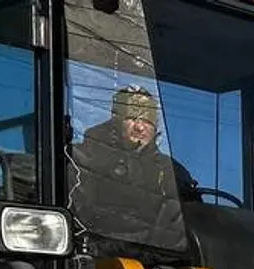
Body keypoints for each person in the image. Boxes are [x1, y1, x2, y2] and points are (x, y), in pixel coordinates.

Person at [69, 85, 200, 252]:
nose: (139, 127)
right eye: (131, 117)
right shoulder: (84, 158)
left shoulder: (173, 172)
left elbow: (193, 224)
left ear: (156, 127)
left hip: (159, 260)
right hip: (96, 257)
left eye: (147, 120)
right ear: (115, 122)